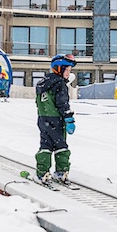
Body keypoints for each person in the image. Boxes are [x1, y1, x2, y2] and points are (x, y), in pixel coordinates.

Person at [33, 54, 76, 185]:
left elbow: (39, 102)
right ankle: (62, 171)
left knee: (45, 145)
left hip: (43, 119)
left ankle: (42, 172)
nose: (69, 73)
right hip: (57, 119)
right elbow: (62, 103)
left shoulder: (42, 83)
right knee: (60, 145)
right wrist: (69, 119)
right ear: (58, 69)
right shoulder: (60, 84)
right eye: (67, 70)